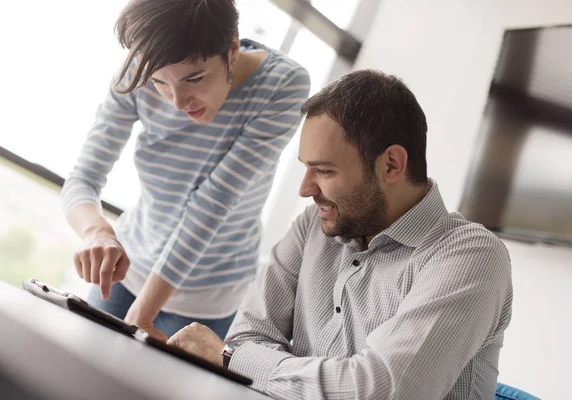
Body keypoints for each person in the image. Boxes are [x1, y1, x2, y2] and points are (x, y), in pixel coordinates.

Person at [166, 69, 513, 399]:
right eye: (306, 168)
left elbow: (381, 392)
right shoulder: (312, 227)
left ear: (391, 164)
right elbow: (246, 337)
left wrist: (234, 359)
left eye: (324, 170)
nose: (305, 189)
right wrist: (331, 381)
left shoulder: (471, 256)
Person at [61, 0, 310, 341]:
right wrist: (97, 233)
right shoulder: (139, 68)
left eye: (194, 78)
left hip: (210, 297)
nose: (178, 102)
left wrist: (142, 316)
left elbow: (212, 204)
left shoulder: (282, 84)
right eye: (160, 83)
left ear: (232, 47)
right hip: (130, 270)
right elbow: (83, 178)